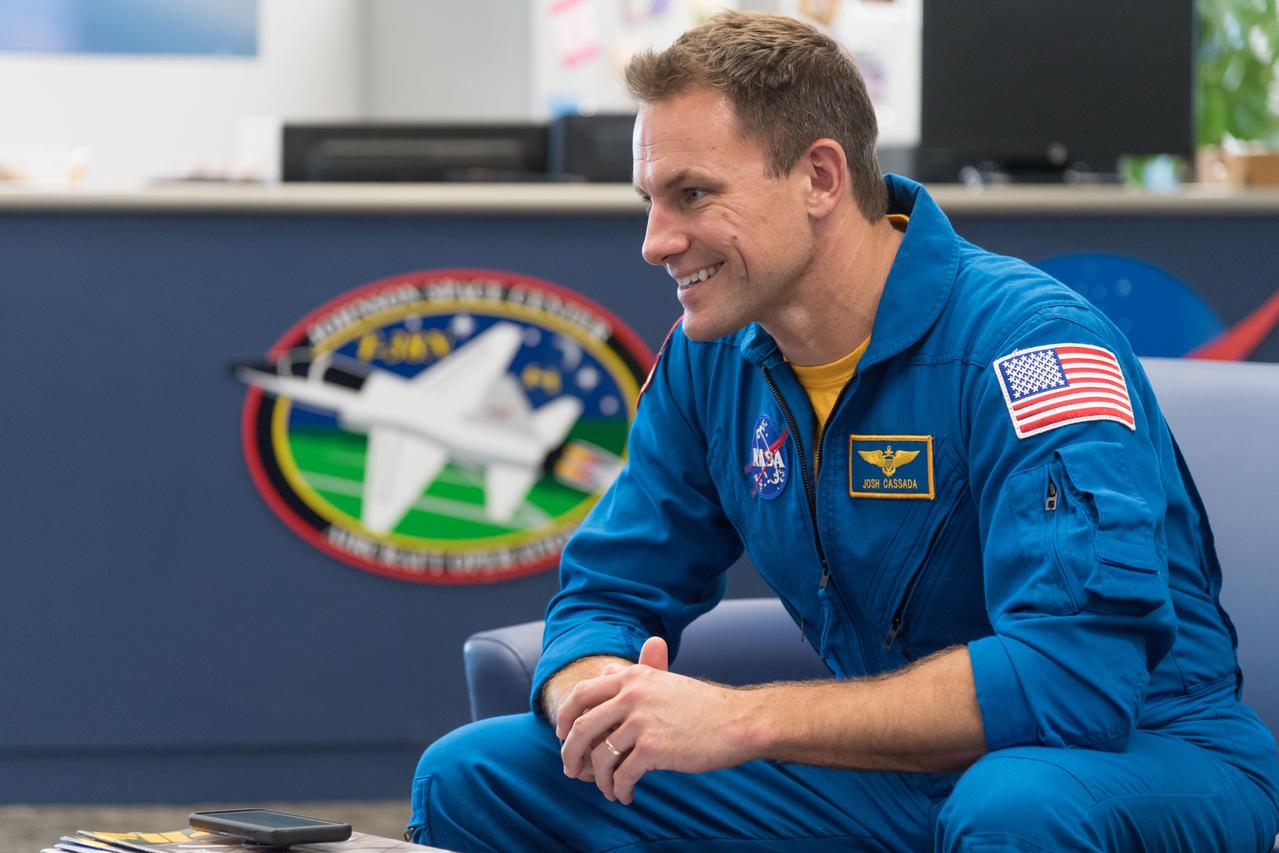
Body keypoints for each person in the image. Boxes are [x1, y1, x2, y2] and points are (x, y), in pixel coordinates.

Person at [409, 11, 1279, 851]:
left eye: (692, 195)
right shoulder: (708, 361)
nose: (654, 240)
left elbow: (1077, 678)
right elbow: (609, 589)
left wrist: (739, 718)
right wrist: (590, 691)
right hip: (889, 768)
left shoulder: (1031, 346)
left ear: (820, 178)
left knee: (1012, 806)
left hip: (1139, 757)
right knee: (473, 774)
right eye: (649, 199)